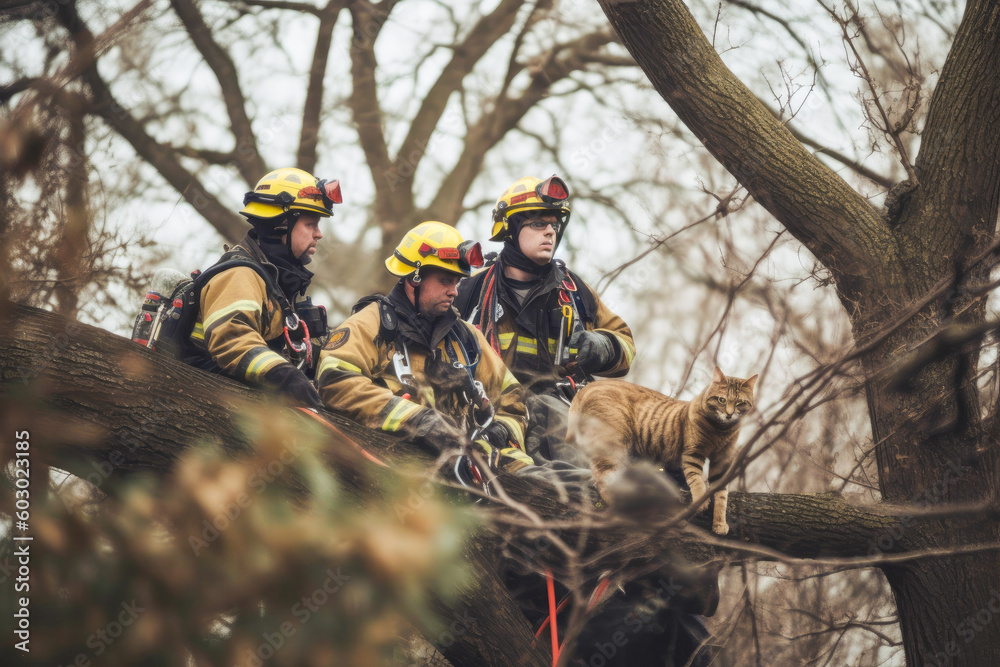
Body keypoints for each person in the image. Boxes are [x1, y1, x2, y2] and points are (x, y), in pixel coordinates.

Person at [315, 221, 534, 477]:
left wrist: (500, 432)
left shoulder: (467, 338)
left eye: (457, 282)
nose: (454, 291)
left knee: (568, 489)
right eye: (445, 280)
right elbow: (335, 380)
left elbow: (513, 399)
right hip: (400, 469)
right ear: (414, 277)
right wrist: (418, 421)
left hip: (489, 468)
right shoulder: (371, 324)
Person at [455, 175, 635, 466]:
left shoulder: (575, 292)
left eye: (554, 225)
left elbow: (625, 342)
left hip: (560, 412)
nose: (550, 232)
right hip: (489, 408)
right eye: (538, 224)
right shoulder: (470, 289)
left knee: (596, 475)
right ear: (511, 229)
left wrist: (603, 346)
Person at [184, 167, 341, 409]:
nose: (318, 234)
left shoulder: (275, 284)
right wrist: (286, 376)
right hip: (205, 404)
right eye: (310, 224)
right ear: (281, 225)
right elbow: (232, 337)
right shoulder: (240, 273)